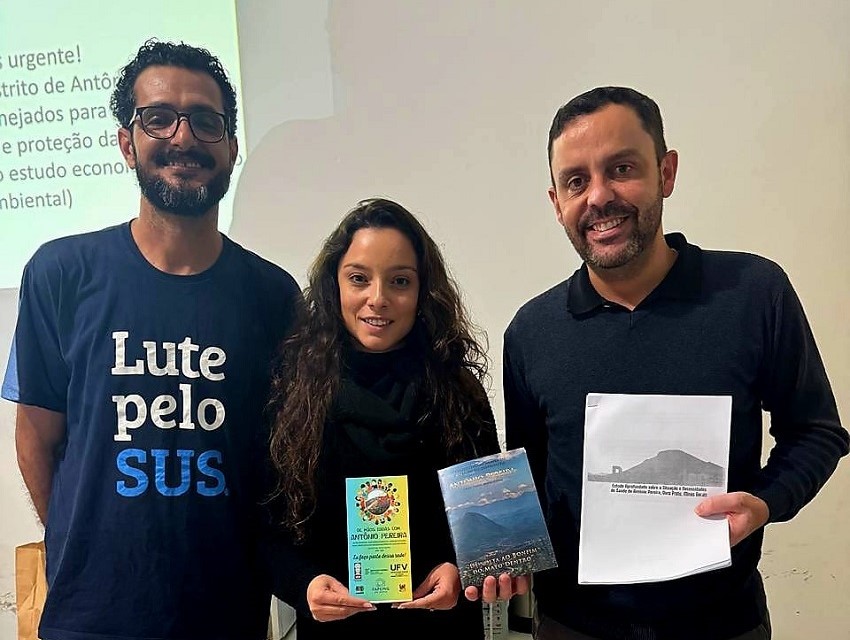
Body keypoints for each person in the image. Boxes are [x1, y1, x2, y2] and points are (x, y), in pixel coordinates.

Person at [503, 86, 849, 640]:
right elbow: (530, 477)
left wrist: (763, 503)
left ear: (666, 172)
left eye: (621, 168)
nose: (598, 196)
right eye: (576, 181)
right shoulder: (531, 331)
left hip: (722, 624)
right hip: (572, 627)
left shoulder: (754, 293)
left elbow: (816, 433)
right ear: (556, 203)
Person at [2, 40, 300, 640]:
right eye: (159, 117)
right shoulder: (61, 273)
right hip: (90, 618)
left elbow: (282, 462)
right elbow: (37, 436)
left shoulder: (275, 295)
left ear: (232, 149)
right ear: (126, 141)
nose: (183, 138)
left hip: (227, 616)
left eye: (206, 122)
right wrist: (79, 542)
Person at [266, 197, 500, 638]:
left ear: (422, 291)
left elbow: (490, 526)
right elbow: (269, 528)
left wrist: (460, 570)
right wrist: (305, 584)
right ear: (334, 285)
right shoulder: (296, 393)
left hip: (441, 629)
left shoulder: (459, 393)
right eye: (359, 278)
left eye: (399, 281)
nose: (378, 299)